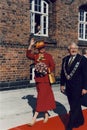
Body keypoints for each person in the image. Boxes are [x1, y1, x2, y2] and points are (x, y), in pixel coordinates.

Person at [26, 38, 56, 126]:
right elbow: (28, 55)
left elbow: (52, 66)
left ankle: (34, 117)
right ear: (38, 49)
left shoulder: (48, 56)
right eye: (40, 48)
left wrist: (46, 70)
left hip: (46, 80)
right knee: (43, 97)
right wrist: (31, 45)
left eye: (43, 47)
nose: (42, 49)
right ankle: (46, 114)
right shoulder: (35, 56)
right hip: (38, 80)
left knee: (40, 98)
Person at [60, 42, 87, 130]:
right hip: (69, 87)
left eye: (75, 48)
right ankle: (80, 120)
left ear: (77, 49)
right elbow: (63, 74)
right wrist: (62, 84)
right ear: (68, 50)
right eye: (71, 48)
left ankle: (69, 126)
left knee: (74, 106)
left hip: (78, 88)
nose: (73, 50)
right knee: (74, 105)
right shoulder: (65, 59)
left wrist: (85, 87)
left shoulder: (82, 59)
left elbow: (85, 74)